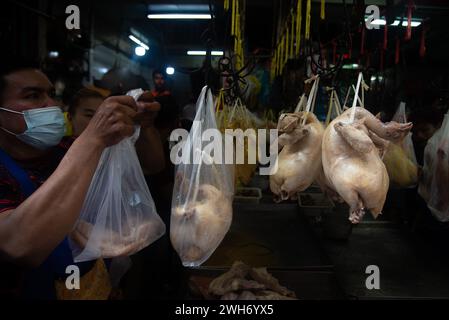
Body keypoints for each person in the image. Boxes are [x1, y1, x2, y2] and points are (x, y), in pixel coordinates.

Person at [0, 56, 164, 299]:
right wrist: (93, 139)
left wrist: (145, 126)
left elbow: (153, 166)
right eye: (33, 96)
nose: (50, 104)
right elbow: (18, 246)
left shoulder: (67, 149)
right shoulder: (81, 149)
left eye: (51, 94)